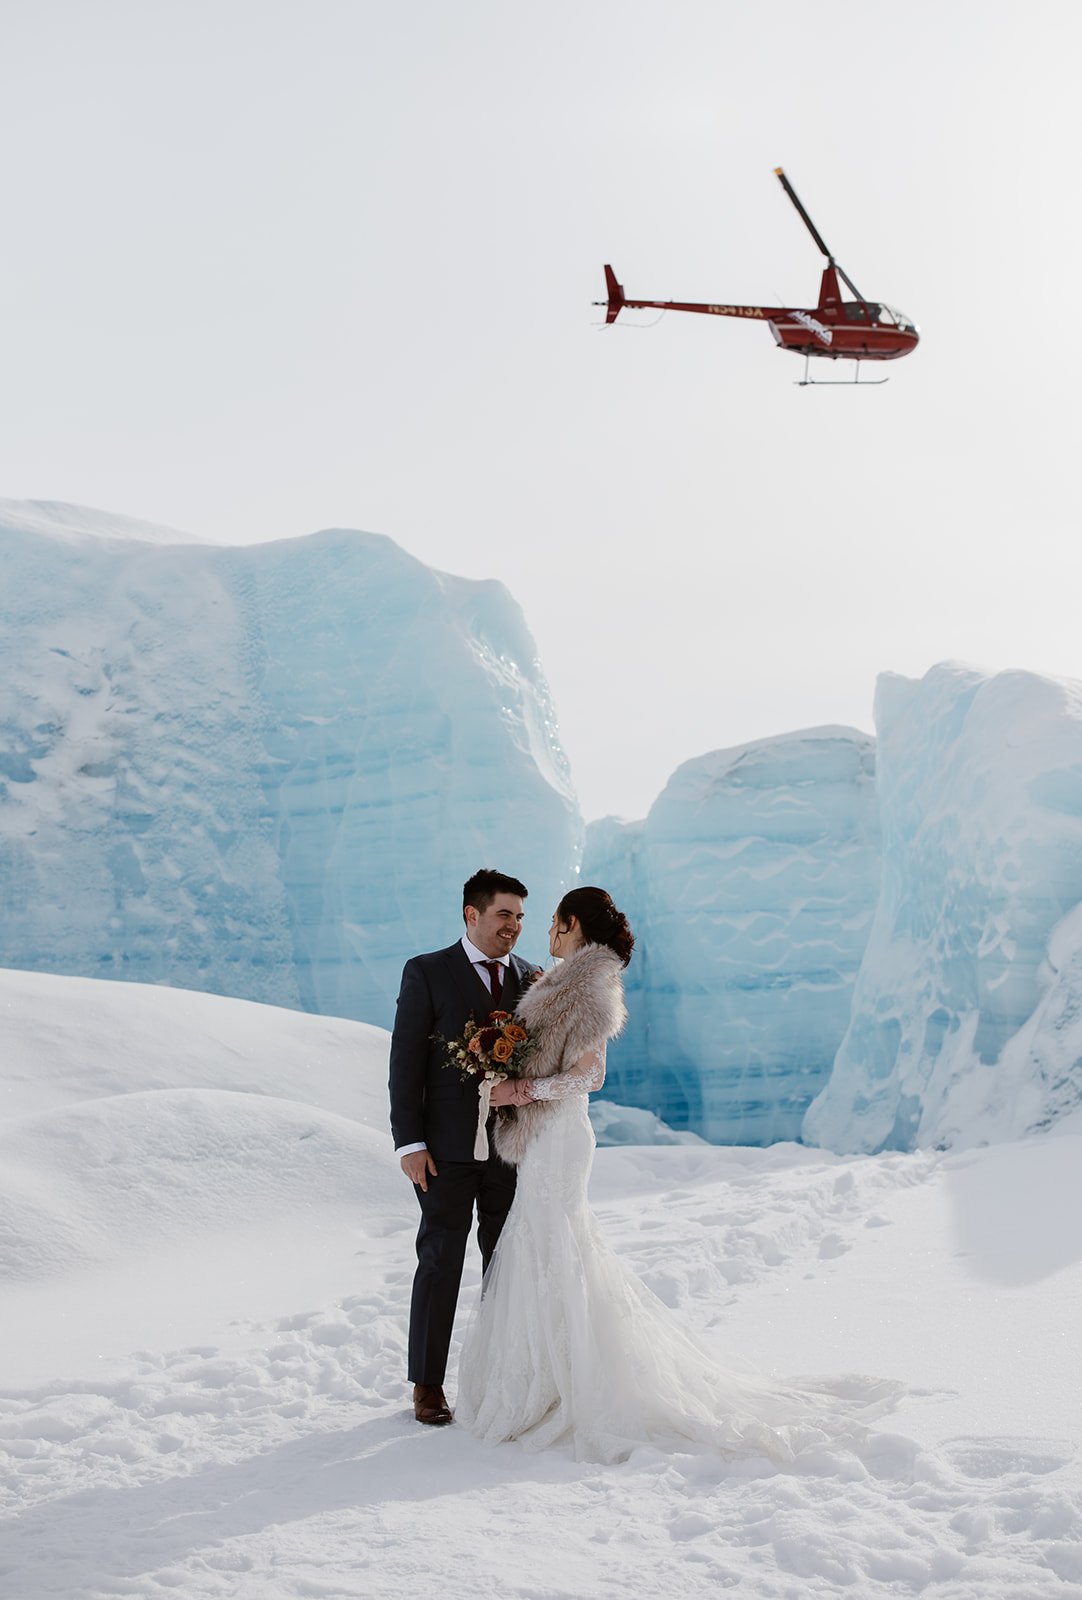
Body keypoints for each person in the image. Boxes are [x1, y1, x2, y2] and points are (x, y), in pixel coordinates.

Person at [456, 885, 897, 1463]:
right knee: (542, 1243)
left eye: (555, 923)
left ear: (572, 925)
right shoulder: (561, 981)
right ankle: (541, 1375)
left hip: (561, 1136)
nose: (546, 933)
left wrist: (524, 1087)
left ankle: (565, 1381)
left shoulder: (591, 984)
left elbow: (590, 1077)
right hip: (542, 1136)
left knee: (556, 1243)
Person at [389, 868, 542, 1427]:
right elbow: (405, 1062)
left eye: (521, 917)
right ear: (471, 915)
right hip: (446, 1151)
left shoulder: (532, 977)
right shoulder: (427, 972)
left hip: (509, 1149)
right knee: (439, 1263)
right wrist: (409, 1141)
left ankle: (501, 1377)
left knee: (505, 1266)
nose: (514, 927)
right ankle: (427, 1386)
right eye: (504, 914)